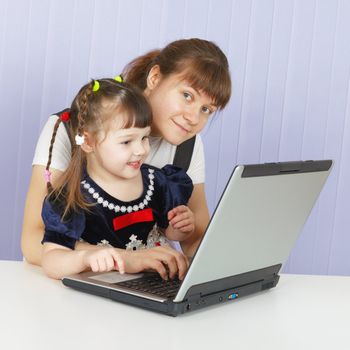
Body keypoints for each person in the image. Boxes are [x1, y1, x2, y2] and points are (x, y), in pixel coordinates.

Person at [21, 38, 232, 266]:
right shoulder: (71, 128)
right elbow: (34, 239)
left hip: (147, 281)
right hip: (71, 281)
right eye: (187, 95)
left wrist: (194, 238)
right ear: (154, 77)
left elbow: (196, 237)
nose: (194, 118)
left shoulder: (189, 145)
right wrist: (126, 259)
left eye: (206, 109)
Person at [41, 78, 193, 280]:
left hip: (154, 283)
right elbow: (51, 260)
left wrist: (180, 227)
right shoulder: (74, 198)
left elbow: (169, 232)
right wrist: (85, 257)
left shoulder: (158, 182)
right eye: (127, 141)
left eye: (144, 138)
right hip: (104, 291)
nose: (140, 150)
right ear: (88, 142)